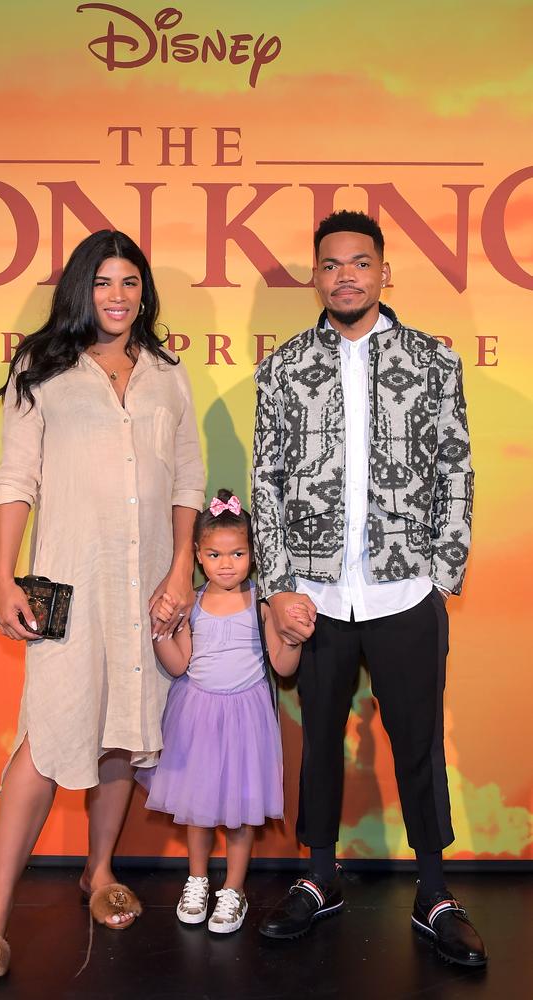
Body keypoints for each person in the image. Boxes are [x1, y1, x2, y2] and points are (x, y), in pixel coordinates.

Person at [0, 230, 205, 986]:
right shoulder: (43, 367)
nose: (117, 297)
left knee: (124, 733)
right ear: (80, 290)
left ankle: (98, 874)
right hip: (64, 580)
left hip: (148, 587)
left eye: (130, 283)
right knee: (46, 733)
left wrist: (181, 571)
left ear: (144, 292)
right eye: (102, 283)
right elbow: (14, 479)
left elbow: (189, 478)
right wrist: (4, 578)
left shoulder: (166, 372)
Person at [251, 210, 487, 967]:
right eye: (331, 264)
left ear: (385, 272)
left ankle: (435, 892)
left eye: (360, 262)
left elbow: (455, 467)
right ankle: (320, 879)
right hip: (315, 598)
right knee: (318, 743)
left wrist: (441, 571)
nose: (345, 275)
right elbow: (268, 481)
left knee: (417, 743)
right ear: (315, 275)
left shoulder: (431, 361)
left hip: (404, 593)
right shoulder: (285, 367)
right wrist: (280, 586)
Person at [139, 490, 313, 934]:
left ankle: (233, 889)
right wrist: (159, 632)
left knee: (240, 811)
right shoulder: (191, 603)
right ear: (197, 555)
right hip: (196, 714)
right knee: (198, 809)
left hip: (246, 717)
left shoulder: (263, 604)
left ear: (253, 555)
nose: (227, 563)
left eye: (237, 553)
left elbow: (283, 668)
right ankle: (197, 879)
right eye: (215, 554)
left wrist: (291, 639)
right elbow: (180, 664)